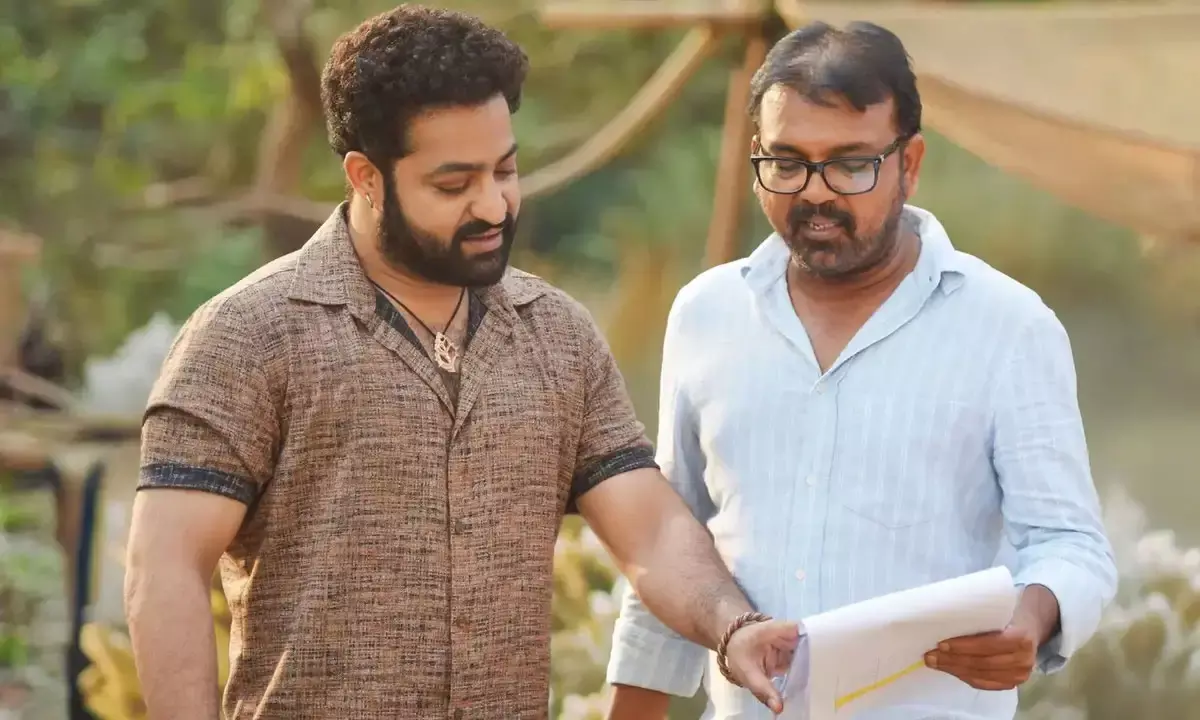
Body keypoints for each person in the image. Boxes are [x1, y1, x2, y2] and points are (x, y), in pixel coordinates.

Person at [122, 6, 800, 720]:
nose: (494, 205)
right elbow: (166, 566)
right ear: (366, 176)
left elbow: (651, 529)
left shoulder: (556, 335)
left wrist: (733, 626)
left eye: (505, 170)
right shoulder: (249, 336)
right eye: (453, 185)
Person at [605, 20, 1118, 720]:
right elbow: (674, 541)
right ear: (755, 157)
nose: (815, 192)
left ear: (910, 163)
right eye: (787, 162)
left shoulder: (1008, 327)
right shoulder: (707, 314)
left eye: (851, 164)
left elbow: (1070, 544)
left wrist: (1033, 618)